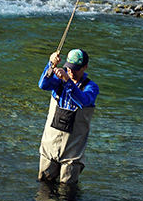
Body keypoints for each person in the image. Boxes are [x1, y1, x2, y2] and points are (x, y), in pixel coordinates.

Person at [38, 48, 99, 186]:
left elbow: (83, 101)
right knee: (44, 185)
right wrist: (50, 65)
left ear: (85, 67)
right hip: (50, 146)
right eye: (69, 68)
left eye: (76, 69)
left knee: (67, 192)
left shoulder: (91, 87)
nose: (71, 72)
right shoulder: (58, 81)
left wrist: (67, 81)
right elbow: (43, 84)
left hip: (72, 152)